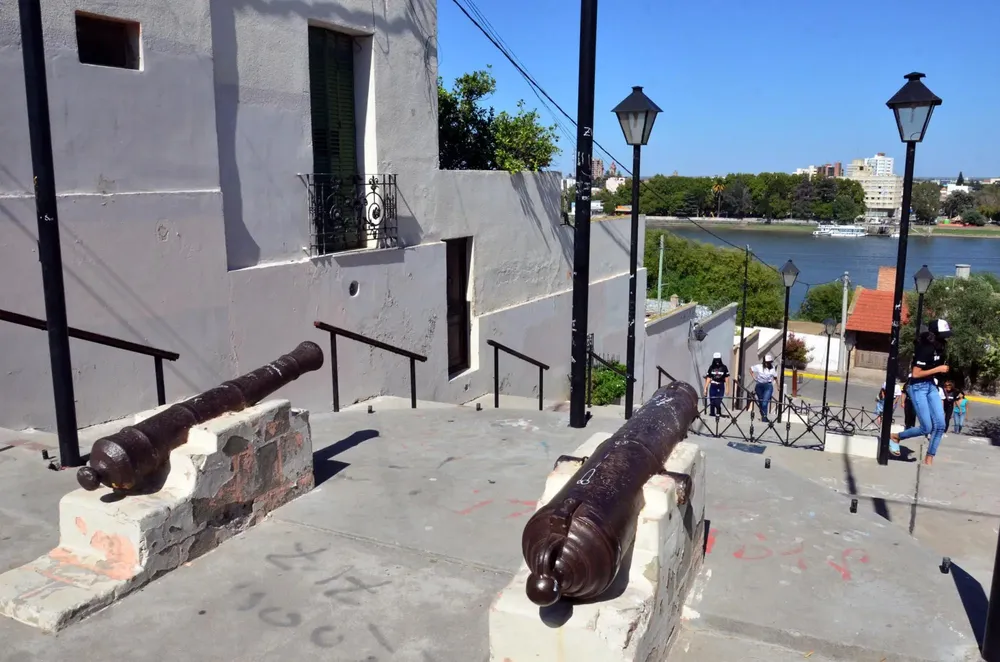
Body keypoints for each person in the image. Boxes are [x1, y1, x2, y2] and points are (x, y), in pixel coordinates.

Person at [891, 319, 952, 465]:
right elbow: (916, 373)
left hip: (930, 385)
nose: (946, 338)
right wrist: (939, 369)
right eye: (943, 335)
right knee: (927, 427)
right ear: (935, 334)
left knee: (941, 425)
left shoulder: (939, 348)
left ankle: (929, 459)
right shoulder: (925, 348)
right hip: (918, 386)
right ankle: (896, 436)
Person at [750, 354, 779, 423]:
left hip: (768, 386)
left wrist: (778, 386)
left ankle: (764, 418)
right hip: (759, 385)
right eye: (767, 362)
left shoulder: (772, 368)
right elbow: (751, 369)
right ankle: (762, 414)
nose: (768, 364)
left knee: (764, 403)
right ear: (764, 362)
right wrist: (753, 377)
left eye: (769, 362)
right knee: (760, 401)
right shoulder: (759, 367)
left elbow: (775, 377)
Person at [703, 352, 730, 418]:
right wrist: (705, 388)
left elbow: (727, 378)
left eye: (718, 359)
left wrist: (727, 388)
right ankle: (712, 413)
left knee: (718, 400)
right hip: (713, 385)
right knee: (712, 400)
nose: (717, 361)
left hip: (720, 385)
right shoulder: (711, 367)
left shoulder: (724, 367)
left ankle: (718, 411)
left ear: (720, 359)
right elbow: (708, 378)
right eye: (716, 359)